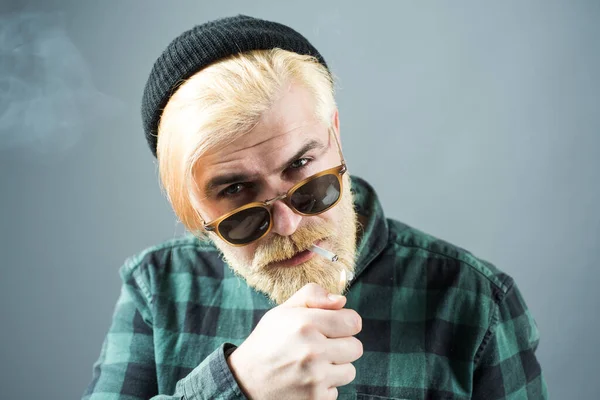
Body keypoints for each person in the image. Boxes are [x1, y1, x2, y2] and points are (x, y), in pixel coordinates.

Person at [82, 15, 548, 400]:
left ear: (336, 136)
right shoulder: (157, 288)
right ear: (193, 207)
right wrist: (238, 385)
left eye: (303, 167)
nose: (287, 223)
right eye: (236, 193)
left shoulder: (475, 304)